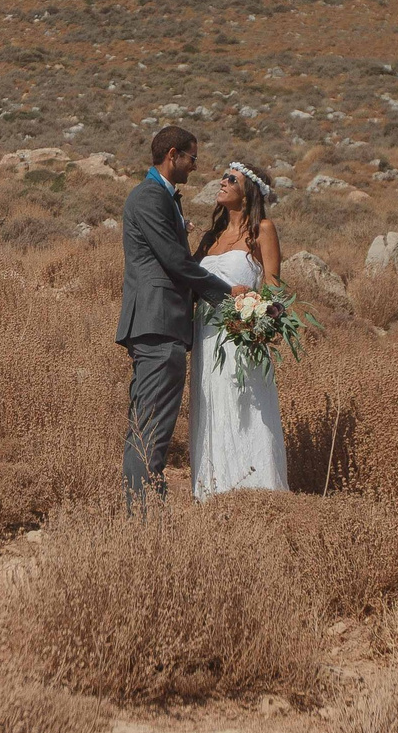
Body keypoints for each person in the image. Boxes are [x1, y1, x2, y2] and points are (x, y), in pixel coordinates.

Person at [117, 125, 234, 511]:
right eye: (192, 158)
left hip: (157, 323)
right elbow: (173, 260)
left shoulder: (161, 197)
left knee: (146, 425)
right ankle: (143, 520)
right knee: (151, 428)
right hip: (159, 322)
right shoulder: (150, 196)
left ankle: (140, 514)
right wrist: (224, 294)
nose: (194, 166)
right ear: (172, 155)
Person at [187, 156, 289, 498]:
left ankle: (257, 493)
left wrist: (259, 319)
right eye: (223, 176)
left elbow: (274, 287)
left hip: (241, 338)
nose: (223, 181)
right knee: (212, 407)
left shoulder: (263, 230)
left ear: (247, 193)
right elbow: (191, 279)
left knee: (245, 408)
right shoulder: (210, 237)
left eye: (231, 179)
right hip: (206, 337)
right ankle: (213, 494)